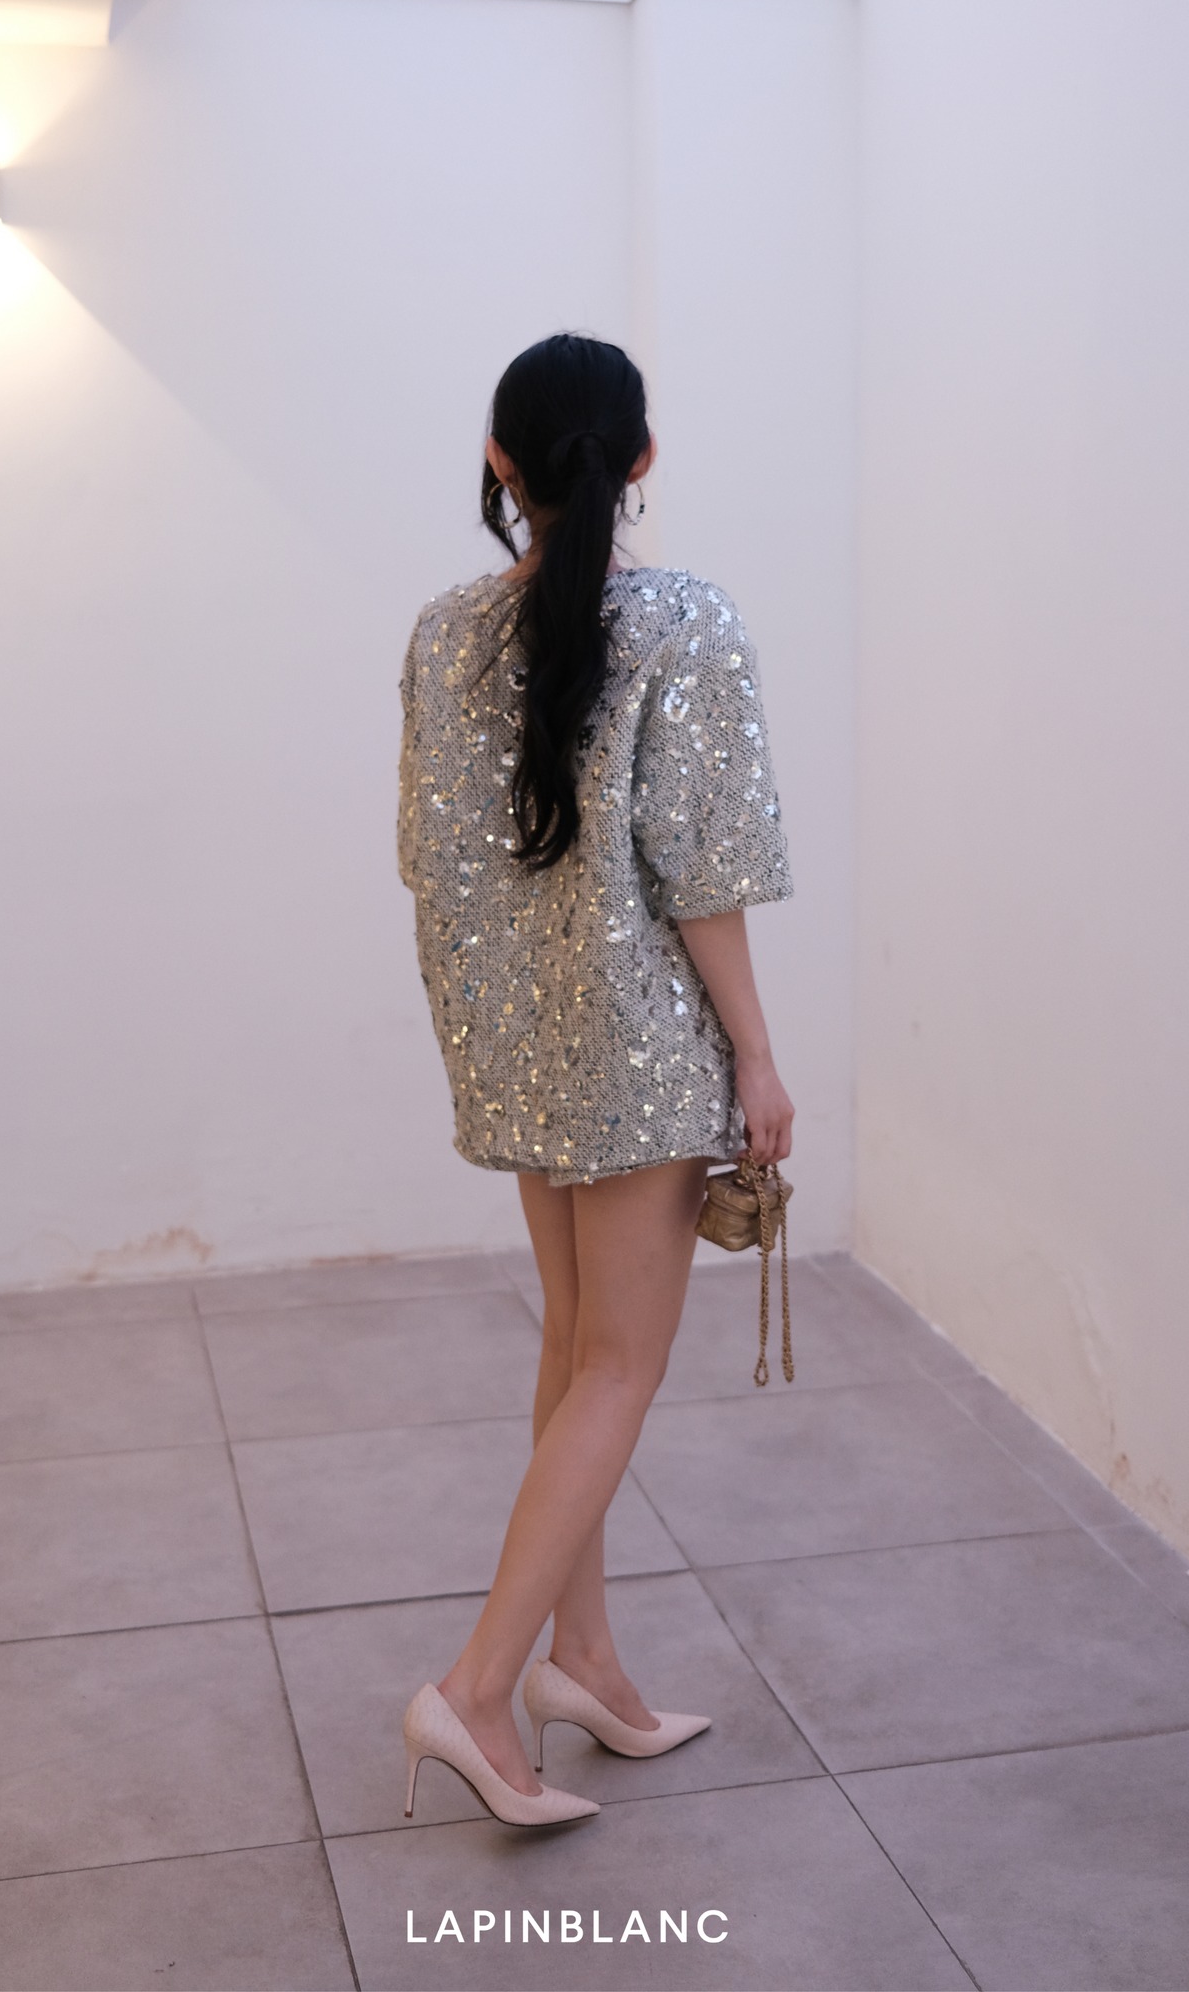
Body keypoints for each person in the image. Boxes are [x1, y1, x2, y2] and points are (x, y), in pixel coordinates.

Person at [396, 333, 795, 1826]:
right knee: (618, 1369)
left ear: (501, 462)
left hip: (515, 1039)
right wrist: (756, 1054)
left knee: (576, 1350)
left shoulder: (444, 632)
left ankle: (587, 1663)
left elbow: (428, 856)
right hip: (642, 1047)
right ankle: (477, 1688)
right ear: (640, 460)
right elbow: (706, 870)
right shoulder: (685, 621)